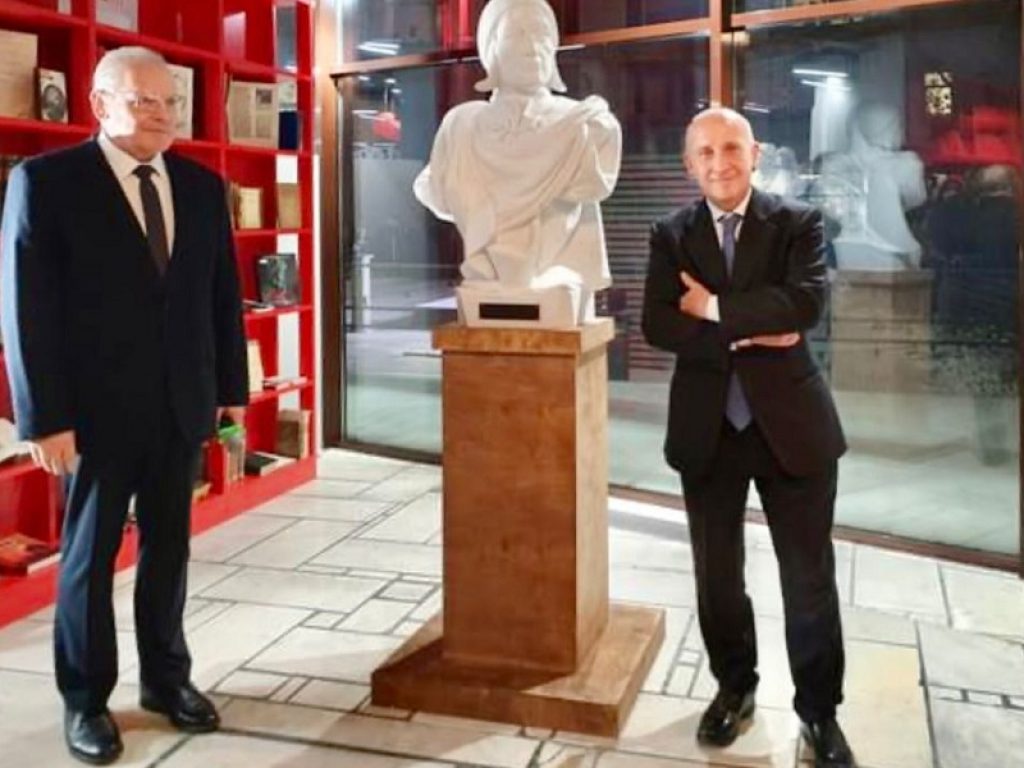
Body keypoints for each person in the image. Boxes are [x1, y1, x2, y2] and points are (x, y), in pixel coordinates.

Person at [0, 46, 247, 765]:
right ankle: (85, 700)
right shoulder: (47, 183)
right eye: (144, 101)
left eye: (171, 102)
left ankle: (168, 683)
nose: (163, 115)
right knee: (88, 559)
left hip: (181, 407)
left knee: (169, 551)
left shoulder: (202, 187)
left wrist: (230, 395)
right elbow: (26, 311)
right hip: (92, 418)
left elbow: (219, 301)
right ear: (99, 102)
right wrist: (43, 418)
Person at [641, 108, 854, 768]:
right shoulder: (670, 234)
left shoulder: (797, 223)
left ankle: (819, 714)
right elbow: (655, 323)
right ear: (688, 163)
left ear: (754, 152)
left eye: (731, 147)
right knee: (716, 579)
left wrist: (710, 308)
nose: (719, 161)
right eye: (703, 151)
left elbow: (806, 306)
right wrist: (756, 323)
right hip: (710, 430)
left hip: (792, 429)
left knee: (808, 579)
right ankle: (735, 689)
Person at [414, 0, 621, 323]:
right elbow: (435, 191)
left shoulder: (583, 124)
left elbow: (595, 183)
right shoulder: (461, 127)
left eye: (541, 35)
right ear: (491, 48)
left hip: (559, 282)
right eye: (517, 34)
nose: (532, 47)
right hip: (485, 291)